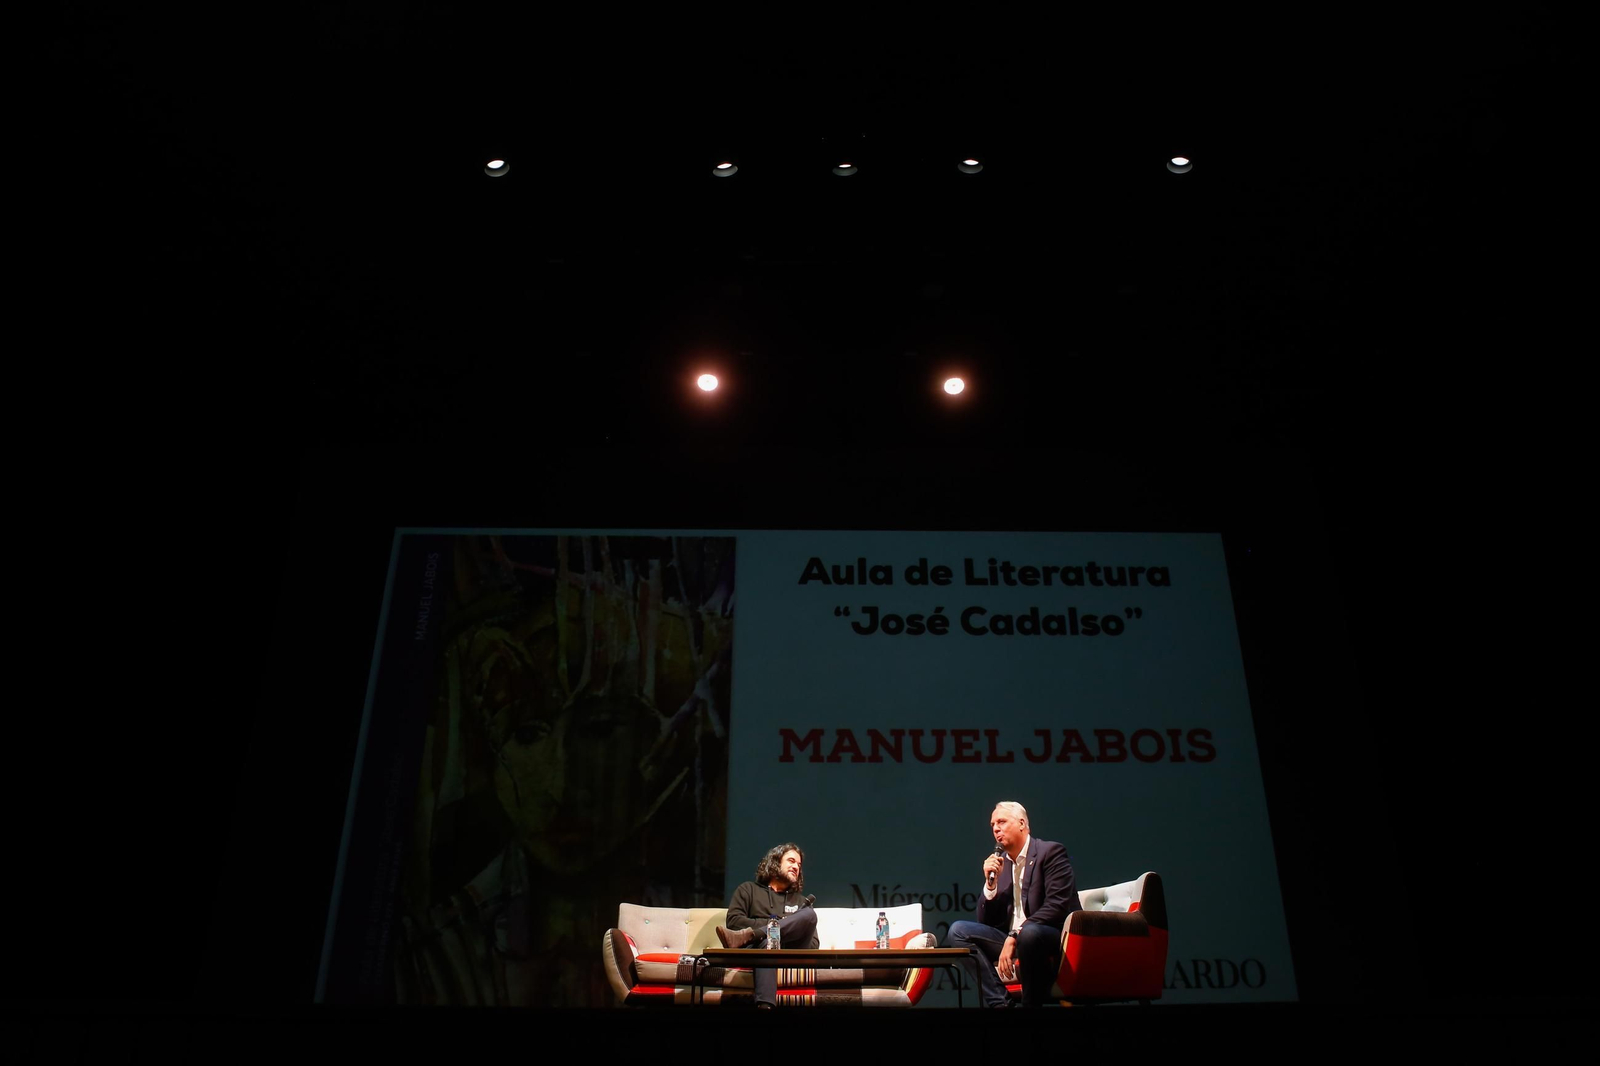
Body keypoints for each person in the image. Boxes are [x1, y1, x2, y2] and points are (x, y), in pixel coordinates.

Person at [947, 801, 1081, 1008]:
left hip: (1048, 936)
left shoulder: (1050, 852)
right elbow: (986, 922)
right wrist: (990, 885)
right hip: (1015, 939)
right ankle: (1001, 1004)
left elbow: (1057, 906)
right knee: (958, 931)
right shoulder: (1002, 863)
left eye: (1001, 821)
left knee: (1029, 934)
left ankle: (1030, 1007)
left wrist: (1015, 935)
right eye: (992, 825)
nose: (996, 829)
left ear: (1021, 823)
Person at [715, 843, 819, 1008]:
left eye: (799, 865)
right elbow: (734, 922)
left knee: (809, 914)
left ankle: (752, 935)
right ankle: (765, 1007)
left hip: (790, 952)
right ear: (775, 862)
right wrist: (775, 926)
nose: (796, 867)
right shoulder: (748, 889)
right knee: (766, 944)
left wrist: (767, 928)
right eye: (791, 861)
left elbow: (813, 945)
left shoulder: (800, 901)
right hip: (759, 950)